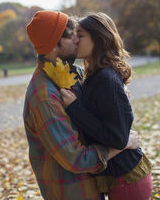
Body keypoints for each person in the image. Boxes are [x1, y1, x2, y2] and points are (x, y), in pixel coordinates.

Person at [23, 10, 140, 200]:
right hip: (71, 192)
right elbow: (75, 158)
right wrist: (122, 145)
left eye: (79, 35)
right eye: (72, 36)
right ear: (54, 46)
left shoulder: (73, 72)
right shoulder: (44, 96)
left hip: (96, 186)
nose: (78, 39)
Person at [61, 12, 153, 200]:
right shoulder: (95, 76)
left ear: (99, 40)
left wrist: (74, 108)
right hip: (118, 178)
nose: (75, 40)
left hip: (127, 179)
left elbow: (117, 138)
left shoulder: (105, 79)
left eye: (81, 35)